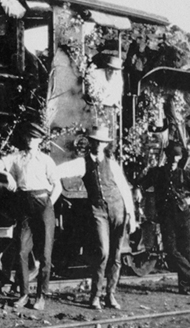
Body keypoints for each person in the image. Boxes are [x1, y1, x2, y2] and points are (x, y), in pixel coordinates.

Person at [57, 125, 136, 310]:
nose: (99, 145)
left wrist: (131, 215)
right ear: (90, 143)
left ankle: (111, 295)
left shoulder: (112, 163)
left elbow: (124, 189)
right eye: (95, 142)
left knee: (116, 255)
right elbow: (58, 171)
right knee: (103, 252)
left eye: (102, 142)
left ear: (105, 144)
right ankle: (95, 296)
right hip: (98, 211)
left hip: (118, 209)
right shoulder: (82, 163)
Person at [0, 121, 62, 310]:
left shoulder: (46, 160)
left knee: (45, 253)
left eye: (35, 138)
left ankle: (41, 296)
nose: (31, 140)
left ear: (40, 141)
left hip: (43, 204)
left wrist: (48, 205)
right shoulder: (16, 157)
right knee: (22, 251)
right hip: (24, 206)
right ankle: (23, 294)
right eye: (29, 136)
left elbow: (57, 185)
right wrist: (7, 175)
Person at [137, 142, 190, 294]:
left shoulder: (184, 174)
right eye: (172, 156)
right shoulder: (157, 173)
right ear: (167, 156)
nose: (174, 160)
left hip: (182, 215)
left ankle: (185, 287)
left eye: (177, 157)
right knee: (170, 249)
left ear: (180, 158)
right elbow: (141, 183)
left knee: (185, 250)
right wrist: (138, 191)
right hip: (166, 217)